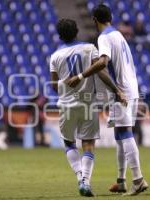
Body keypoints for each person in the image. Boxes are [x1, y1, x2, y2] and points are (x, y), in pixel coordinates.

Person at [67, 4, 148, 196]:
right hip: (131, 88)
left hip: (121, 90)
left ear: (94, 20)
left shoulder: (103, 38)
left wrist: (80, 76)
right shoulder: (118, 34)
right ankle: (121, 180)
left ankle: (138, 179)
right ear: (110, 18)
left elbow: (103, 62)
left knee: (125, 133)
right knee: (120, 134)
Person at [50, 18, 127, 197]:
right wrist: (115, 90)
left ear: (60, 36)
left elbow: (54, 86)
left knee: (69, 143)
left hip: (66, 105)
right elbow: (101, 71)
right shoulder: (89, 49)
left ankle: (79, 177)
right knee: (88, 144)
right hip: (88, 103)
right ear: (77, 31)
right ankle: (85, 180)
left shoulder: (55, 56)